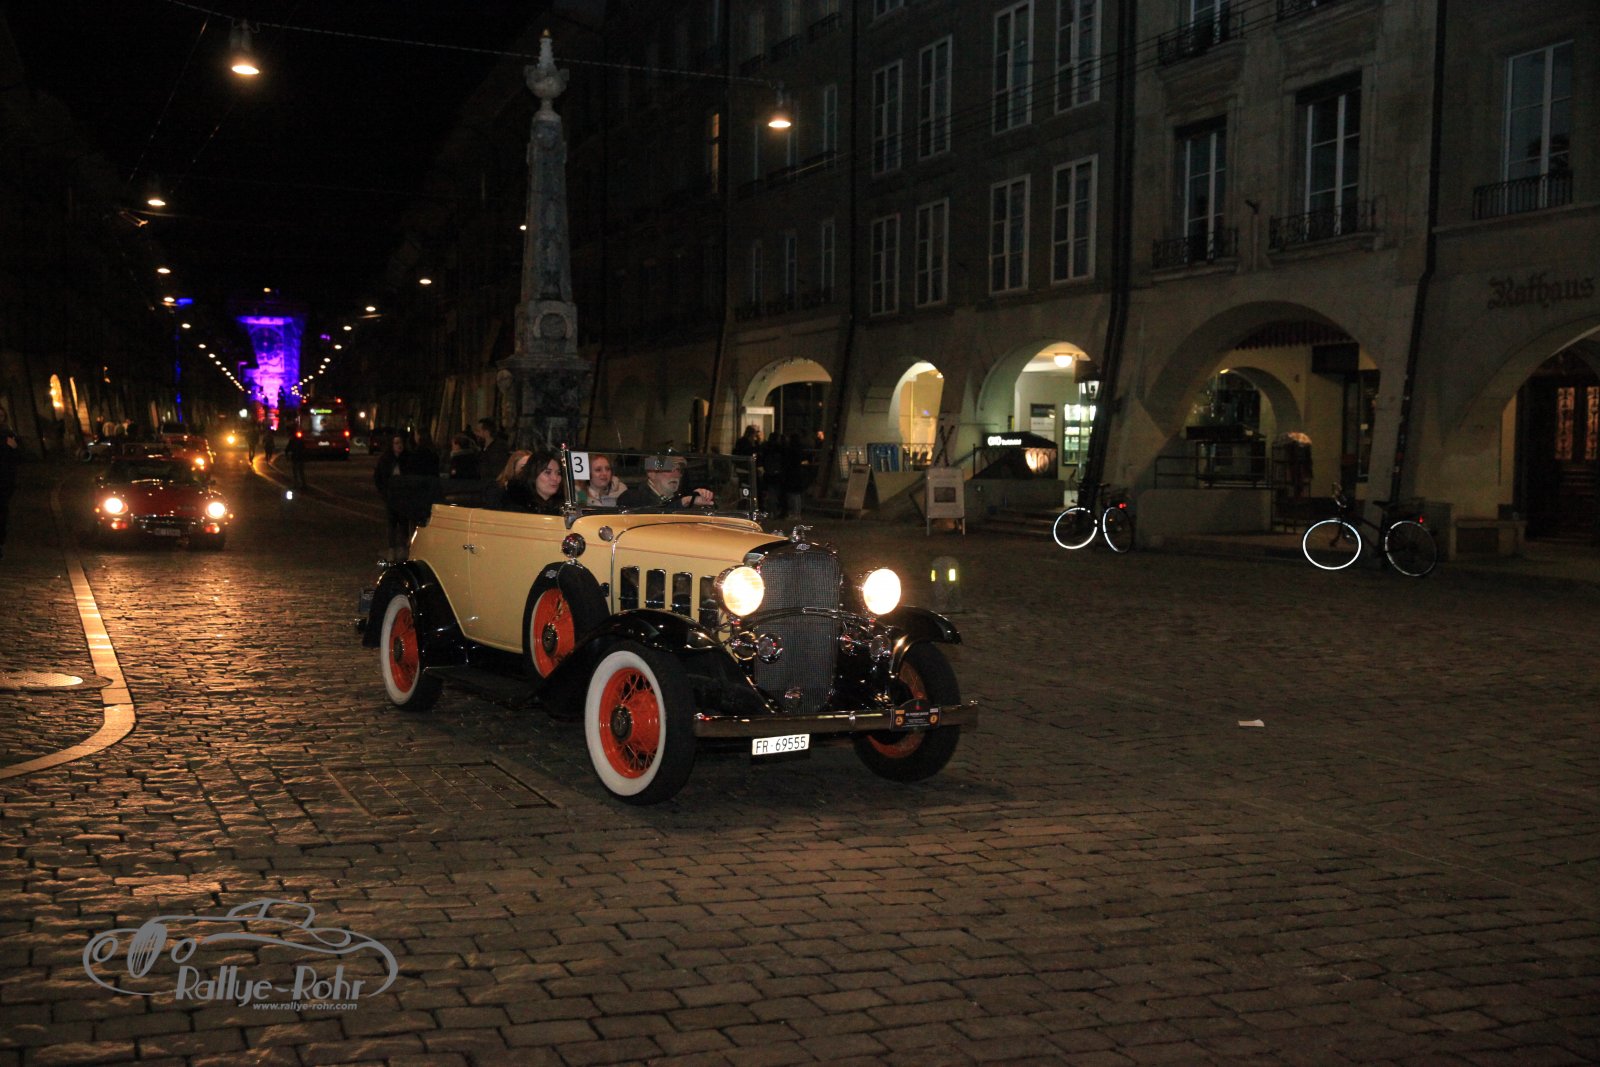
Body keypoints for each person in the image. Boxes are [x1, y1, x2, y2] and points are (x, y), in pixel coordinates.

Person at [374, 433, 420, 560]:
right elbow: (378, 477)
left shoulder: (408, 459)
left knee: (404, 522)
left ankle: (403, 548)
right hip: (391, 496)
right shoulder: (386, 459)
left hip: (404, 496)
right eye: (396, 443)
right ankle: (392, 548)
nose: (399, 446)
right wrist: (383, 492)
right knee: (392, 522)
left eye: (401, 443)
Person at [617, 454, 715, 510]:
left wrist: (701, 499)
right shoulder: (631, 497)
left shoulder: (681, 496)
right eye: (669, 469)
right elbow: (652, 516)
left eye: (678, 470)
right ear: (652, 473)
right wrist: (684, 502)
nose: (675, 475)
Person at [503, 450, 566, 515]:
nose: (555, 478)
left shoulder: (563, 507)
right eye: (547, 472)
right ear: (533, 474)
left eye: (558, 473)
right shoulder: (515, 509)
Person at [0, 409, 20, 561]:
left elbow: (16, 458)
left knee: (2, 513)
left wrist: (14, 448)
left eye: (1, 415)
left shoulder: (9, 433)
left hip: (5, 479)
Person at [475, 418, 509, 484]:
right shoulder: (483, 449)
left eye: (478, 431)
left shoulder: (499, 449)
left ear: (487, 432)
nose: (476, 434)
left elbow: (496, 472)